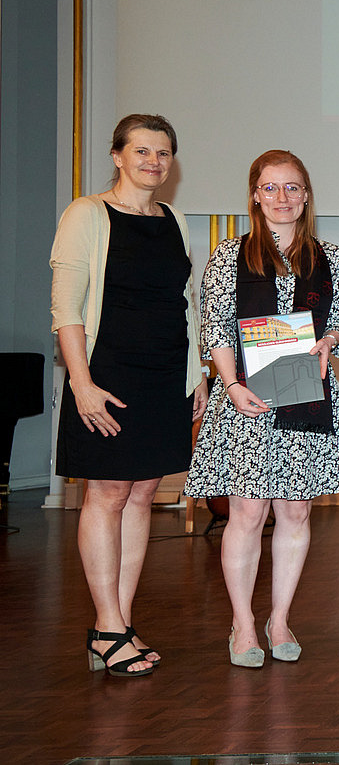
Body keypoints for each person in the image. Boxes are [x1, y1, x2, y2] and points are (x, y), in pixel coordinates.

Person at [52, 114, 207, 676]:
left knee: (143, 495)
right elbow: (66, 311)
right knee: (109, 494)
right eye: (142, 150)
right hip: (107, 374)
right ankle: (107, 627)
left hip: (166, 377)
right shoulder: (86, 214)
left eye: (163, 153)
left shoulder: (174, 219)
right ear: (117, 155)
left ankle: (120, 620)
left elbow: (185, 306)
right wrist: (82, 384)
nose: (153, 162)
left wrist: (197, 378)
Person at [185, 150, 339, 667]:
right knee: (247, 513)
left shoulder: (333, 257)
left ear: (306, 195)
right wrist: (230, 385)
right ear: (255, 195)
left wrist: (330, 342)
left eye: (293, 187)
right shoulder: (227, 256)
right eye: (271, 187)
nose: (283, 198)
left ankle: (279, 619)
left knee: (296, 511)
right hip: (246, 401)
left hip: (306, 396)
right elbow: (215, 330)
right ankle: (241, 624)